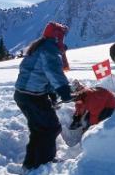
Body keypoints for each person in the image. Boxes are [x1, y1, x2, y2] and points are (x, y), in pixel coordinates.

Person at [14, 21, 72, 172]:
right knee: (51, 127)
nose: (63, 38)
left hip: (23, 95)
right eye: (62, 35)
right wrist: (64, 90)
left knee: (38, 129)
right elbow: (53, 73)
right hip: (33, 97)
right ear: (57, 36)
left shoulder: (40, 46)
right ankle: (44, 164)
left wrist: (52, 93)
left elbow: (41, 74)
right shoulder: (49, 49)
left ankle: (31, 163)